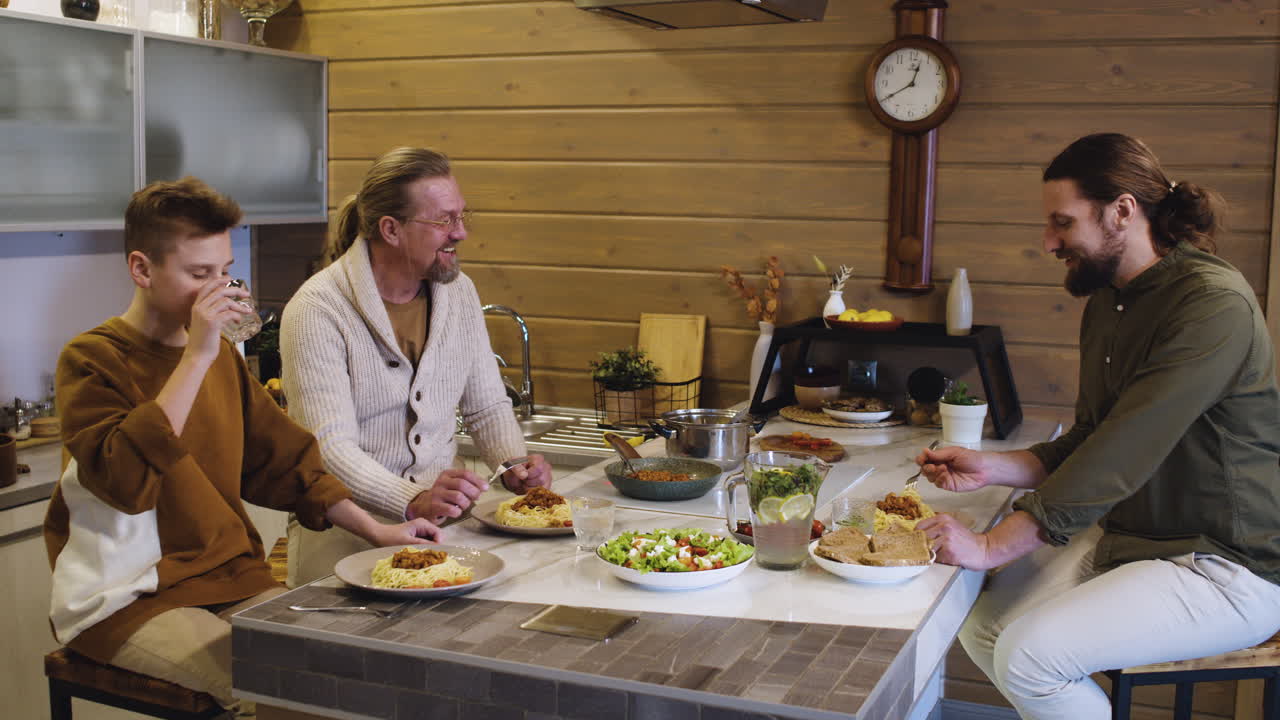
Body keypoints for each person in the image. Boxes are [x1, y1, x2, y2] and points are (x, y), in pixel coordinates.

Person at [43, 177, 441, 716]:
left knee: (349, 672)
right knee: (269, 690)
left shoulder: (220, 359)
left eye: (225, 272)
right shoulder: (93, 360)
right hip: (126, 598)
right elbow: (127, 486)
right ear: (141, 269)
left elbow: (287, 462)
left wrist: (379, 529)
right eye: (198, 274)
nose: (218, 290)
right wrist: (197, 356)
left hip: (230, 578)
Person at [914, 133, 1280, 719]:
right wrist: (996, 467)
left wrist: (990, 544)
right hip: (1135, 541)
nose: (1048, 241)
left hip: (1223, 565)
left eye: (1062, 223)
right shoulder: (1110, 301)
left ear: (1123, 211)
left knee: (1030, 657)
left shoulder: (1212, 304)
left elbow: (1124, 450)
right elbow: (1092, 434)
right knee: (983, 624)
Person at [281, 147, 552, 584]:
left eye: (463, 216)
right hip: (345, 539)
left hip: (445, 534)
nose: (460, 233)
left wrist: (513, 465)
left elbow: (486, 407)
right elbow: (328, 449)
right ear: (391, 229)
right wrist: (411, 498)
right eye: (444, 220)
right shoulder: (317, 309)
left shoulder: (459, 293)